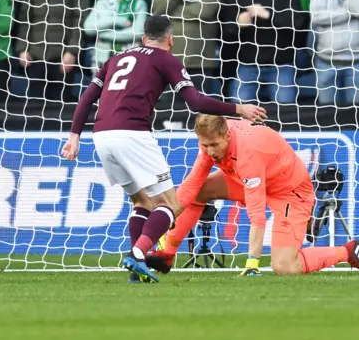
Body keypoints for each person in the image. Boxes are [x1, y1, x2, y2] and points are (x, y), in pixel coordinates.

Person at [61, 15, 267, 283]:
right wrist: (238, 109)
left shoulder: (115, 58)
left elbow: (88, 96)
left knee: (141, 202)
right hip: (132, 133)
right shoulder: (165, 59)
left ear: (143, 37)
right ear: (170, 40)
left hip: (101, 135)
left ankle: (137, 272)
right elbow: (194, 101)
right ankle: (137, 255)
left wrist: (74, 136)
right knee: (169, 203)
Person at [147, 115, 359, 277]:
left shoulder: (249, 153)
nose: (210, 152)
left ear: (227, 136)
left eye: (214, 145)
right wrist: (163, 223)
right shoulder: (211, 140)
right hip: (248, 178)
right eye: (204, 145)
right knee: (200, 189)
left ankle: (346, 251)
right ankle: (166, 255)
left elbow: (256, 215)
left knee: (285, 267)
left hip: (290, 191)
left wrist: (252, 263)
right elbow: (190, 186)